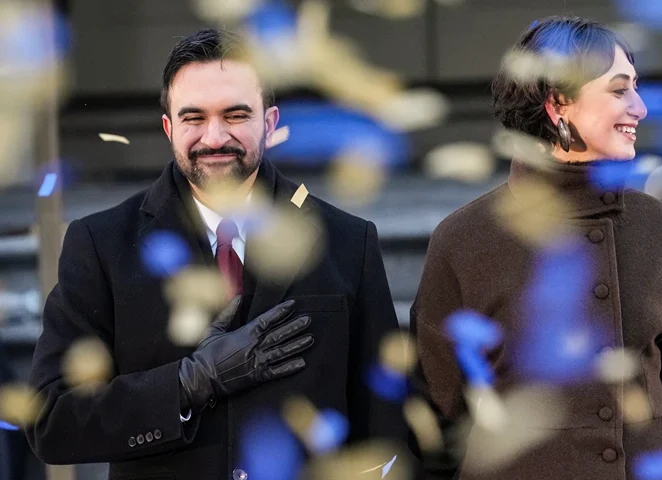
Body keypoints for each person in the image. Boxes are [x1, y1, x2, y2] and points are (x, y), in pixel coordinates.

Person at [25, 28, 408, 480]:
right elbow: (52, 421)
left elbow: (386, 428)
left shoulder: (349, 240)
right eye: (193, 118)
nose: (214, 137)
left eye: (235, 114)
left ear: (269, 123)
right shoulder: (101, 243)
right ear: (169, 128)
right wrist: (189, 382)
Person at [410, 16, 662, 480]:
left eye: (636, 88)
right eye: (619, 90)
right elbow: (437, 418)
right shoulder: (463, 240)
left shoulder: (659, 227)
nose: (640, 108)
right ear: (558, 104)